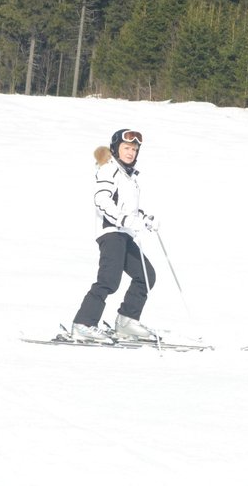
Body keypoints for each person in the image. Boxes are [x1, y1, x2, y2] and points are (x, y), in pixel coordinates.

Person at [72, 129, 159, 342]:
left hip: (125, 234)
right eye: (126, 148)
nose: (130, 152)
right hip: (111, 233)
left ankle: (127, 321)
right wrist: (125, 220)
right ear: (116, 148)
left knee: (146, 275)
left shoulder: (129, 176)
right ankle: (84, 323)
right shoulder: (108, 169)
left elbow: (126, 207)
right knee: (109, 280)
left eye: (134, 149)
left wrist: (143, 218)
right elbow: (102, 200)